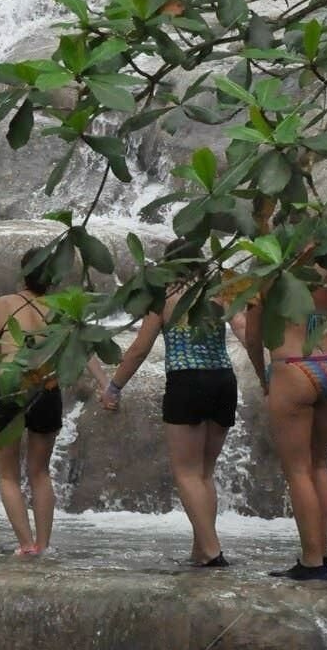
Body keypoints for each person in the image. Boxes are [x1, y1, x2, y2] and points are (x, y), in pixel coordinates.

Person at [103, 240, 245, 568]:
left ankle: (211, 551)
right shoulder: (218, 289)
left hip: (186, 381)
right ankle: (201, 549)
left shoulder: (165, 294)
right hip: (223, 380)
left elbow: (140, 348)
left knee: (186, 473)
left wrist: (114, 386)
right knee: (205, 474)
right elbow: (242, 328)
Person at [242, 256, 327, 580]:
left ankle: (311, 561)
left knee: (298, 471)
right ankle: (324, 556)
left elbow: (253, 336)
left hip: (292, 368)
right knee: (318, 465)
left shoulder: (267, 275)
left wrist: (264, 377)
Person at [0, 249, 108, 556]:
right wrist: (107, 385)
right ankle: (44, 544)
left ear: (22, 273)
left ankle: (25, 544)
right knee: (39, 472)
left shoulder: (3, 304)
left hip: (9, 387)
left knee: (8, 474)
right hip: (46, 388)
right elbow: (85, 351)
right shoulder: (60, 309)